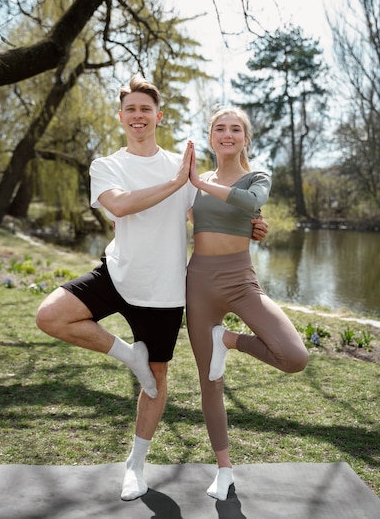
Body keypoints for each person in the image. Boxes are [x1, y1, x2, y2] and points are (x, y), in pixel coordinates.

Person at [36, 76, 268, 502]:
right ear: (121, 117)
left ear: (158, 116)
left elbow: (209, 219)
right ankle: (130, 355)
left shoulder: (181, 165)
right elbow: (120, 205)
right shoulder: (106, 165)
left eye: (146, 109)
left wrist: (252, 228)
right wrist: (178, 182)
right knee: (49, 315)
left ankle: (135, 465)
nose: (139, 116)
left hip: (165, 290)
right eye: (131, 110)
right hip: (117, 274)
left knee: (156, 382)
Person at [186, 107, 309, 502]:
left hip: (241, 281)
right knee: (210, 381)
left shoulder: (257, 177)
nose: (227, 134)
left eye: (235, 129)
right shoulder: (196, 180)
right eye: (219, 129)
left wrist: (200, 186)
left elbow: (248, 201)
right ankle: (224, 470)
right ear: (210, 138)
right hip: (200, 282)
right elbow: (176, 217)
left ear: (244, 138)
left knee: (294, 356)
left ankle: (229, 340)